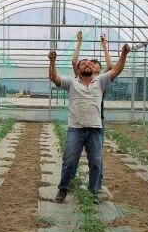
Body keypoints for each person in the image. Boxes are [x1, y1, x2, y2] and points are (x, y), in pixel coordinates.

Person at [49, 43, 131, 202]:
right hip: (76, 129)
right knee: (70, 161)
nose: (87, 63)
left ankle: (93, 192)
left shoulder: (100, 81)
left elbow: (116, 70)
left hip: (95, 130)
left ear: (93, 69)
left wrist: (124, 54)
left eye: (89, 63)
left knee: (96, 163)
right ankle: (63, 189)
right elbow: (54, 78)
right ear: (78, 70)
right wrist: (52, 62)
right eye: (83, 63)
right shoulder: (71, 82)